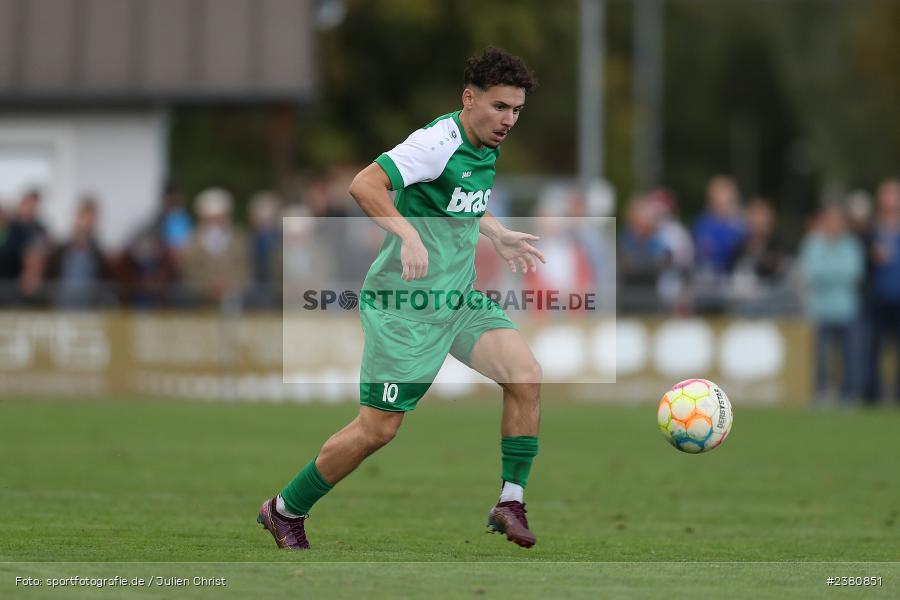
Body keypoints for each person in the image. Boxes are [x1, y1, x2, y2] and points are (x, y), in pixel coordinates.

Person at [258, 48, 544, 550]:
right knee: (377, 430)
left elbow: (461, 201)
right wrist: (408, 235)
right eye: (500, 107)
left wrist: (494, 232)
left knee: (525, 376)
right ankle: (285, 509)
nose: (509, 120)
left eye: (516, 110)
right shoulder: (436, 142)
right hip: (404, 307)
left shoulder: (485, 145)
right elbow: (364, 185)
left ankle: (510, 500)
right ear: (468, 98)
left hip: (457, 300)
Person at [798, 204, 863, 404]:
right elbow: (811, 272)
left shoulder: (852, 245)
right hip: (820, 310)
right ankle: (821, 393)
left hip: (846, 310)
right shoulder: (813, 243)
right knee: (820, 357)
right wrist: (835, 273)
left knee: (849, 356)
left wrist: (828, 273)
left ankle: (849, 394)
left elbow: (853, 273)